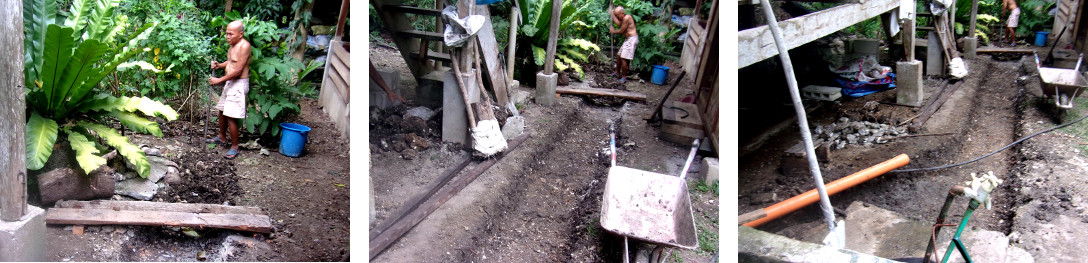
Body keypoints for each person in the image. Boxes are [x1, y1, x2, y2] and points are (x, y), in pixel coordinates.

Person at [207, 20, 252, 159]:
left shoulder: (244, 46)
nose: (227, 37)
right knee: (222, 111)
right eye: (226, 34)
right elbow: (232, 62)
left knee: (231, 117)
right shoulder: (233, 45)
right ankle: (221, 137)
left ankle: (235, 147)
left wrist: (218, 80)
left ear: (241, 34)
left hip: (238, 84)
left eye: (230, 34)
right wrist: (219, 65)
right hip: (230, 83)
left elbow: (238, 70)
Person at [610, 6, 638, 83]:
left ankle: (624, 77)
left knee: (623, 58)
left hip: (631, 40)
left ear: (622, 13)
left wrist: (613, 31)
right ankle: (617, 72)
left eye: (617, 15)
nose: (617, 17)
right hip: (628, 40)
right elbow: (619, 23)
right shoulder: (623, 19)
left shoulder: (627, 18)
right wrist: (612, 14)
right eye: (616, 16)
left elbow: (622, 30)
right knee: (619, 56)